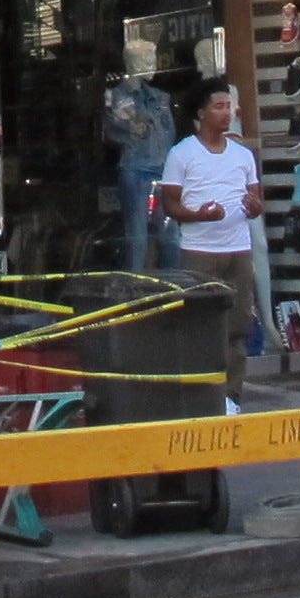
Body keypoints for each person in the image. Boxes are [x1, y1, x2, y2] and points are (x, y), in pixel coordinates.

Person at [154, 78, 262, 410]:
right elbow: (169, 205)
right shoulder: (182, 153)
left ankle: (232, 397)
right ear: (201, 113)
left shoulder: (243, 155)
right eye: (218, 106)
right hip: (200, 251)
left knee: (236, 326)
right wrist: (198, 215)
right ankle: (200, 397)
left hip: (238, 248)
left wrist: (254, 207)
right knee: (199, 327)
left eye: (228, 106)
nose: (226, 113)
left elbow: (257, 199)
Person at [102, 57, 178, 272]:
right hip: (136, 169)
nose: (153, 65)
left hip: (161, 169)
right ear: (133, 64)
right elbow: (118, 132)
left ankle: (176, 289)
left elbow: (167, 132)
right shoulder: (115, 96)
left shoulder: (159, 97)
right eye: (147, 60)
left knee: (171, 234)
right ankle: (134, 290)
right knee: (137, 236)